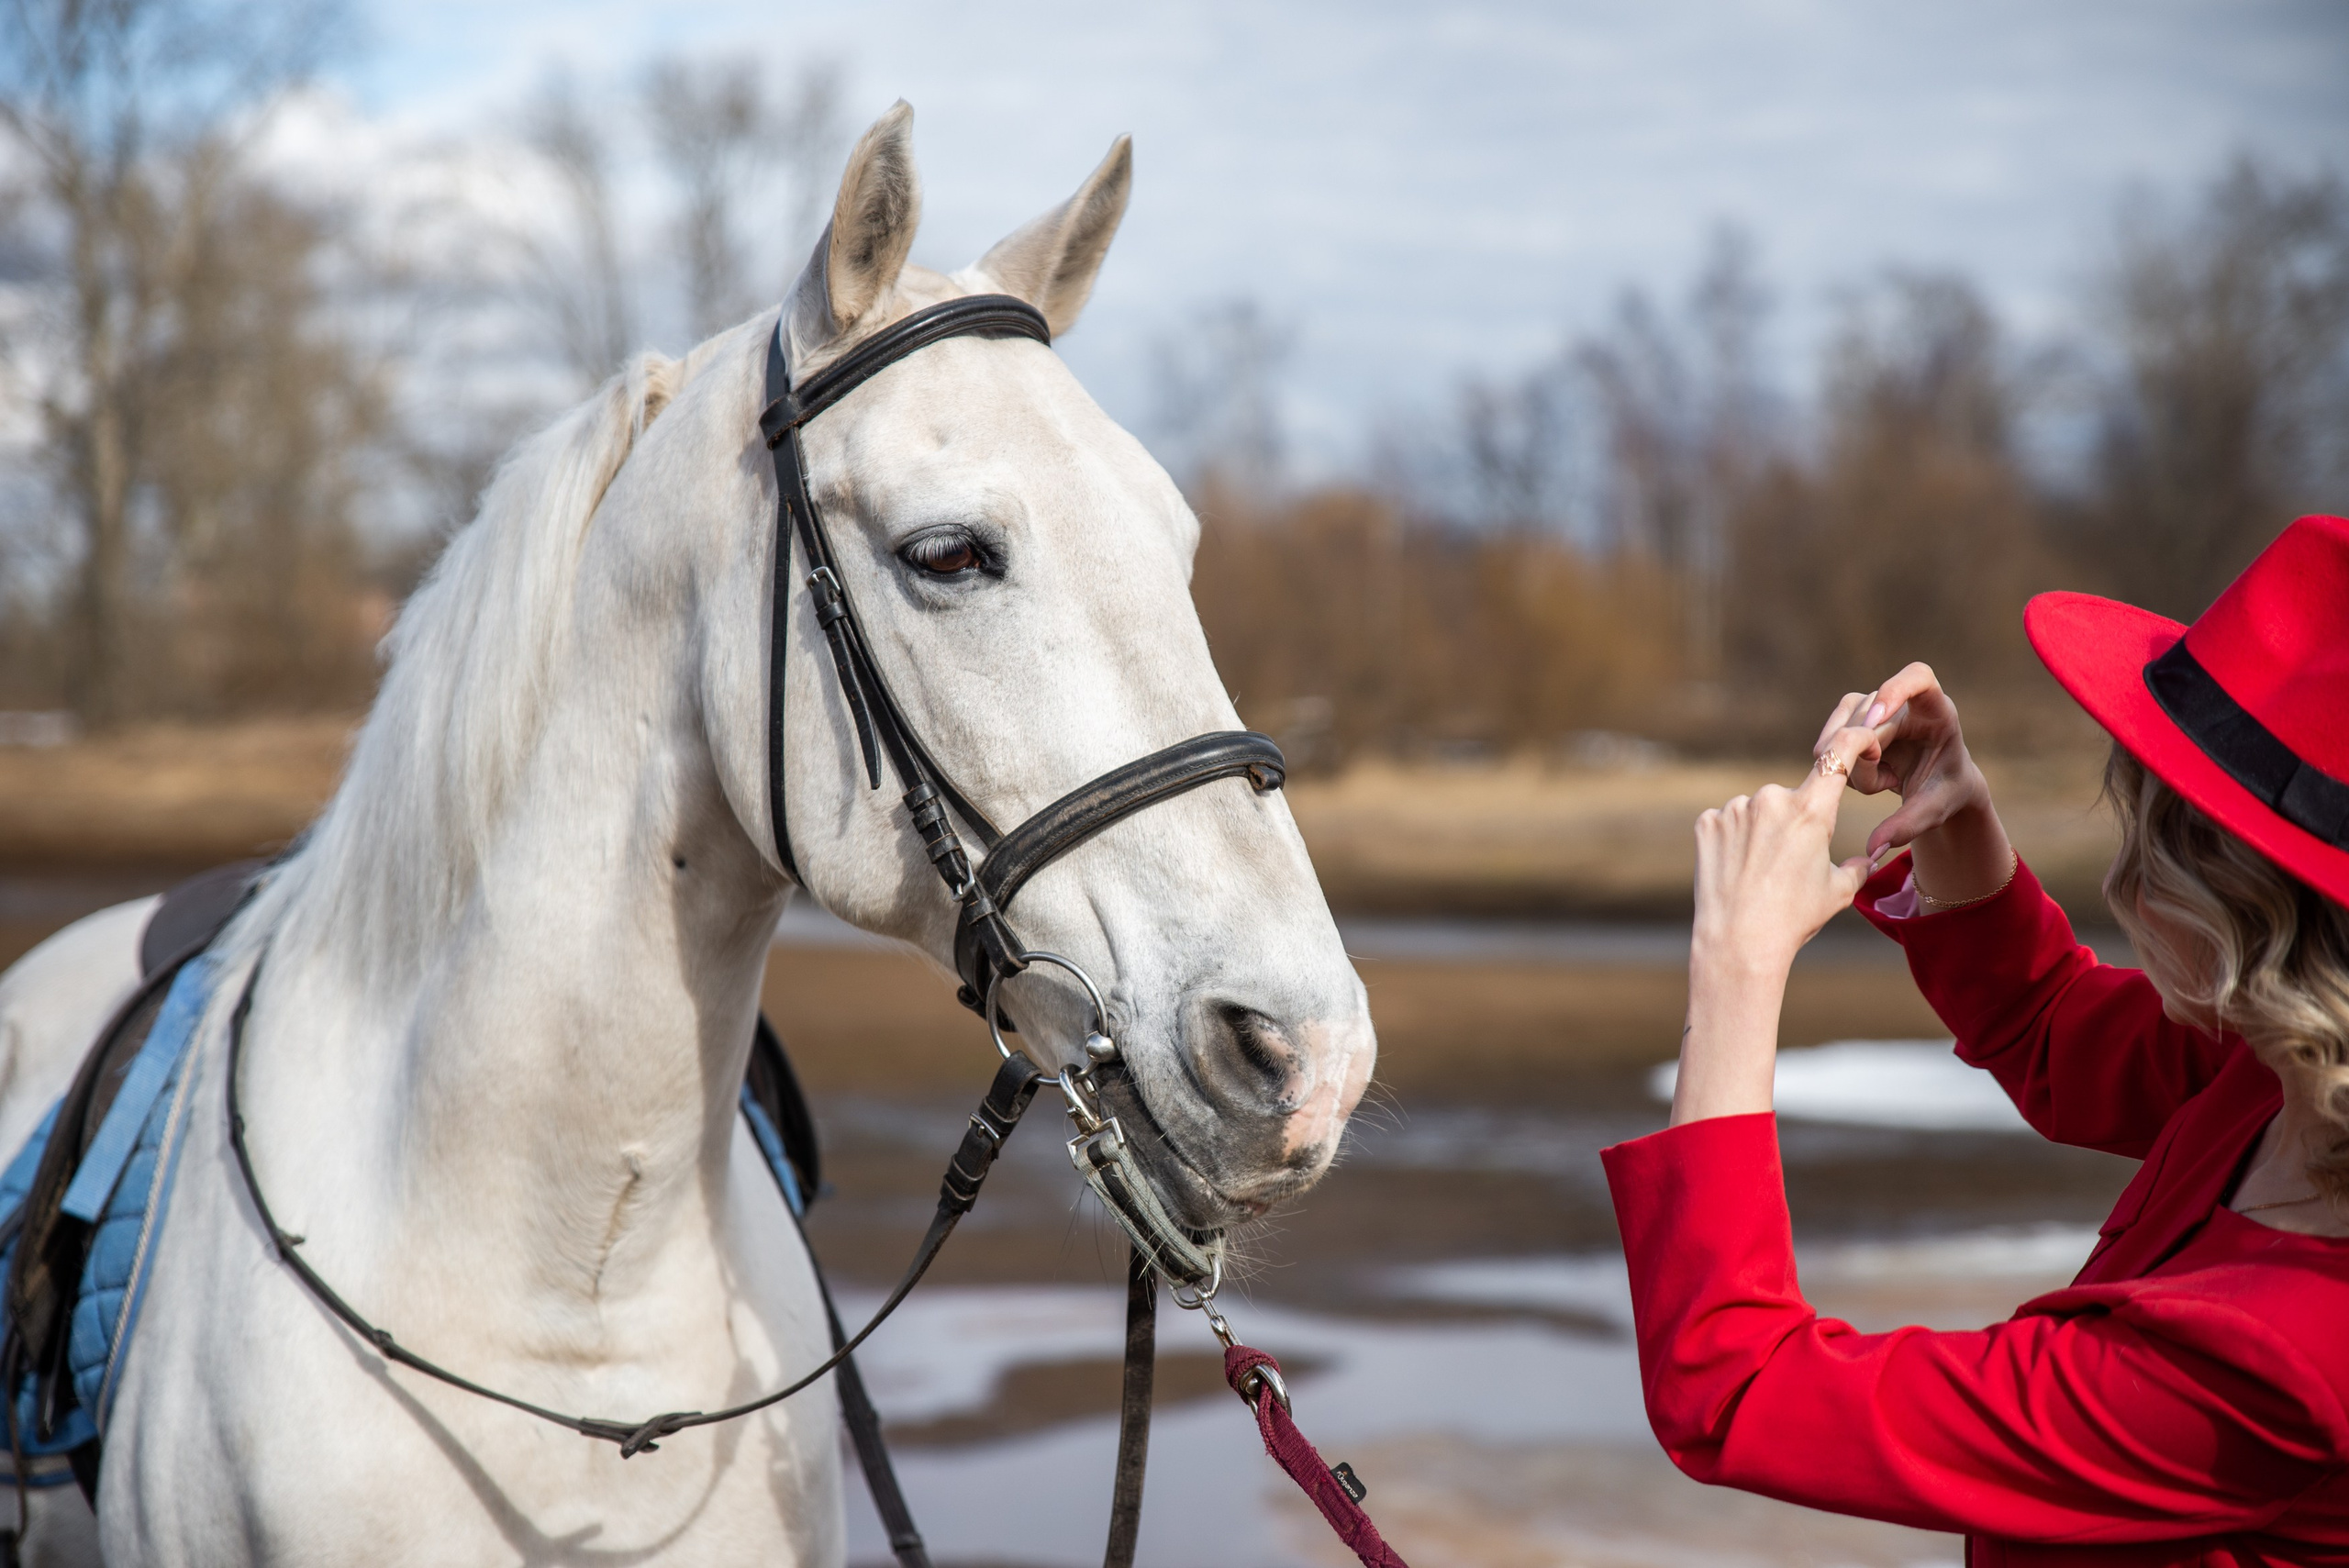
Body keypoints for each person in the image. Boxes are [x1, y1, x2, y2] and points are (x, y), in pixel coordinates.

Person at [1606, 512, 2349, 1567]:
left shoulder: (2282, 1358)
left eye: (2151, 852)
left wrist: (1735, 963)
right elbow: (2054, 1033)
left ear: (2262, 913)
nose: (2117, 884)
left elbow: (1734, 1388)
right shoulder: (2285, 1074)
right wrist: (1949, 814)